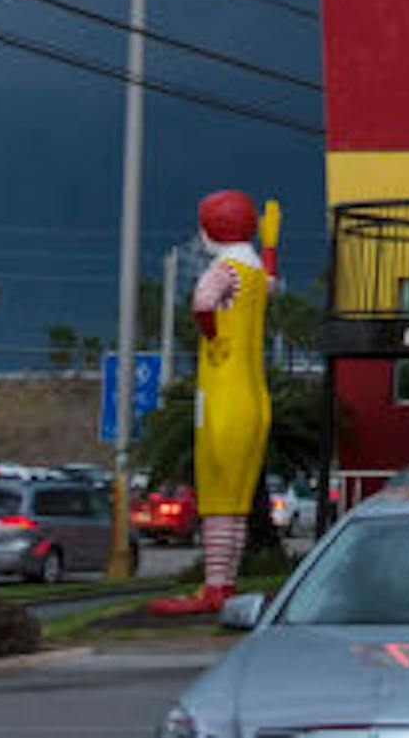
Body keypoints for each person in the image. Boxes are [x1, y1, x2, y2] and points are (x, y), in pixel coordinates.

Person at [147, 189, 272, 614]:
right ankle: (226, 584)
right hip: (255, 396)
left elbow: (202, 302)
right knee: (236, 502)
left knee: (218, 497)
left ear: (210, 228)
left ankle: (214, 587)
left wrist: (213, 333)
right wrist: (270, 246)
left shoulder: (224, 269)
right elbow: (269, 285)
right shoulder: (254, 271)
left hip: (222, 393)